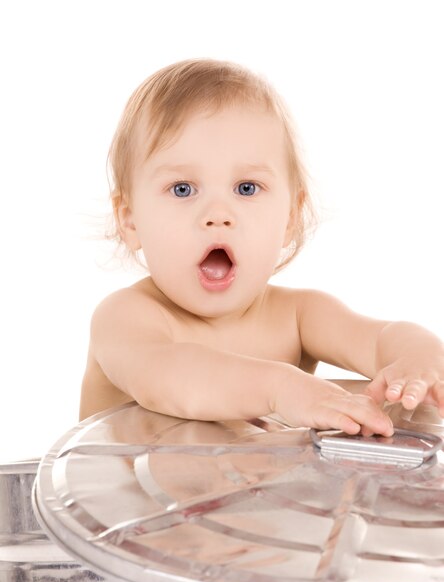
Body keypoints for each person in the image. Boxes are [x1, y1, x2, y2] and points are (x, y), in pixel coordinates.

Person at [79, 58, 444, 436]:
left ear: (290, 217)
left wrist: (417, 361)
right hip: (118, 497)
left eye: (246, 188)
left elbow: (381, 338)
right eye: (182, 189)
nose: (218, 214)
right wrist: (283, 388)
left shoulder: (300, 316)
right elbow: (172, 378)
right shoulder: (126, 318)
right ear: (131, 220)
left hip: (248, 496)